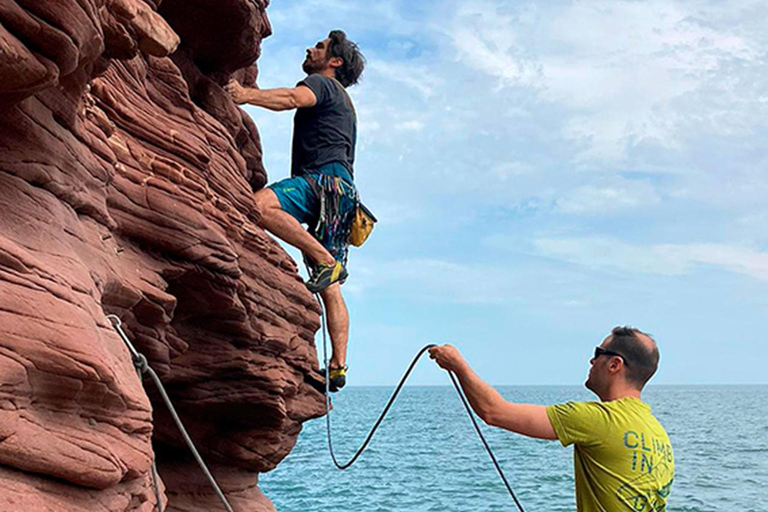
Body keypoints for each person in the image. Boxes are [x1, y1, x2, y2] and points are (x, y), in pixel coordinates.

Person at [225, 30, 365, 392]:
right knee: (330, 288)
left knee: (260, 206)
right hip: (343, 194)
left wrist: (245, 95)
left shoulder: (322, 84)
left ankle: (326, 260)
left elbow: (292, 98)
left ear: (335, 61)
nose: (310, 48)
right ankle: (338, 366)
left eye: (320, 47)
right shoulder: (346, 104)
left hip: (321, 182)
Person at [429, 326, 674, 511]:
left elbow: (494, 411)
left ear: (614, 364)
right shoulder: (659, 435)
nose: (592, 360)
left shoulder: (597, 419)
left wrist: (458, 365)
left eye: (598, 353)